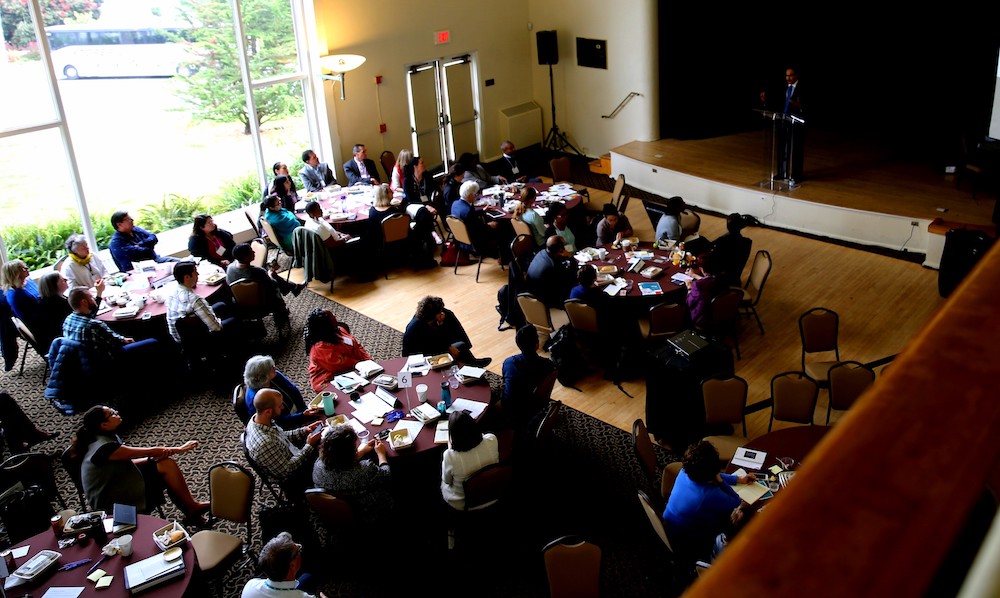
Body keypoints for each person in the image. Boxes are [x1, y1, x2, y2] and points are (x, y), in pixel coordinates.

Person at [74, 405, 209, 522]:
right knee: (165, 472)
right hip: (114, 501)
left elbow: (126, 462)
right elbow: (147, 452)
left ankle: (192, 509)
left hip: (120, 480)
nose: (116, 412)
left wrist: (152, 461)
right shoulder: (105, 448)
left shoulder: (103, 436)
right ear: (104, 425)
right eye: (112, 414)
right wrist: (179, 449)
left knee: (165, 464)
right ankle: (192, 510)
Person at [662, 440, 756, 559]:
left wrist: (737, 479)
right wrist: (721, 481)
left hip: (668, 522)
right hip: (686, 539)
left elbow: (710, 474)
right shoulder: (709, 495)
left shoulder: (686, 470)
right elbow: (736, 502)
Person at [312, 425, 392, 526]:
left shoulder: (318, 465)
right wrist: (381, 454)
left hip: (335, 512)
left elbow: (339, 462)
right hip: (364, 513)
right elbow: (386, 475)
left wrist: (361, 451)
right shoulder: (364, 469)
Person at [245, 388, 323, 490]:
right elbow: (287, 470)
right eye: (279, 406)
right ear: (268, 411)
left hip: (290, 453)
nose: (282, 407)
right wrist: (309, 446)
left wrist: (305, 430)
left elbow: (282, 436)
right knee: (331, 453)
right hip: (294, 476)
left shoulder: (259, 419)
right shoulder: (264, 444)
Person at [63, 288, 159, 368]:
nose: (94, 299)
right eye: (91, 298)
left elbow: (91, 314)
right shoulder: (94, 325)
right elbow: (116, 343)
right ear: (84, 302)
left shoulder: (68, 320)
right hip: (107, 363)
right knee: (152, 341)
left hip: (84, 363)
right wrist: (124, 339)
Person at [226, 242, 303, 327]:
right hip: (262, 303)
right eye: (251, 251)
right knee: (275, 285)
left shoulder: (229, 268)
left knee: (275, 281)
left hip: (240, 303)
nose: (254, 253)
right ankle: (282, 311)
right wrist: (271, 275)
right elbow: (272, 286)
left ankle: (293, 287)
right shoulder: (258, 271)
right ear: (245, 258)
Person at [402, 296, 491, 367]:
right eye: (439, 312)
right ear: (433, 316)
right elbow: (434, 342)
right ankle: (471, 364)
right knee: (461, 346)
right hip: (423, 355)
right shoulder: (415, 328)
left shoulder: (427, 317)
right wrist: (447, 346)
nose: (442, 312)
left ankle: (471, 362)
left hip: (434, 344)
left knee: (448, 314)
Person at [165, 261, 236, 345]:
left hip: (180, 337)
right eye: (195, 272)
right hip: (199, 338)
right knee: (234, 320)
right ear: (187, 277)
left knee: (221, 305)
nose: (198, 274)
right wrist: (218, 321)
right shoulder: (194, 299)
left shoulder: (171, 292)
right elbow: (216, 328)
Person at [441, 410, 500, 510]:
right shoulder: (492, 439)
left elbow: (447, 481)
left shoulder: (450, 456)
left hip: (464, 504)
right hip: (493, 494)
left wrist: (450, 448)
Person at [304, 307, 372, 393]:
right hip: (329, 378)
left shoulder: (340, 330)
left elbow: (357, 346)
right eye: (331, 317)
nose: (334, 316)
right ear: (325, 325)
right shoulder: (319, 349)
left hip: (353, 365)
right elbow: (343, 364)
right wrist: (363, 365)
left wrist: (368, 360)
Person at [243, 355, 322, 428]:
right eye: (272, 368)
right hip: (285, 427)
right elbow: (277, 421)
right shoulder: (257, 399)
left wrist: (303, 410)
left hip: (300, 413)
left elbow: (293, 390)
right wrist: (301, 416)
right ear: (263, 377)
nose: (276, 369)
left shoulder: (275, 375)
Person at [241, 532, 326, 598]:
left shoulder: (250, 586)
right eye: (298, 551)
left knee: (307, 577)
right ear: (292, 565)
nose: (299, 548)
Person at [501, 324, 556, 428]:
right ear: (537, 345)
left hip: (509, 408)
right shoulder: (546, 365)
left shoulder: (508, 363)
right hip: (531, 409)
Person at [760, 67, 805, 182]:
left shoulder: (802, 88)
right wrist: (766, 101)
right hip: (783, 122)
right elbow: (778, 104)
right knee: (781, 149)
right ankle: (781, 172)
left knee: (795, 150)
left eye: (790, 75)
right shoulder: (784, 88)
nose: (788, 78)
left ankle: (796, 175)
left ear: (796, 75)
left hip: (796, 124)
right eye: (786, 76)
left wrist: (799, 106)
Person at [108, 211, 179, 272]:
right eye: (128, 219)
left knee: (183, 264)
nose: (132, 220)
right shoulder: (116, 243)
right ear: (119, 224)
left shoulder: (136, 229)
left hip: (155, 260)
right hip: (136, 271)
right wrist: (149, 246)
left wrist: (140, 244)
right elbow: (142, 253)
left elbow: (153, 237)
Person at [526, 235, 578, 308]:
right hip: (545, 300)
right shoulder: (552, 266)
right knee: (577, 288)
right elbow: (571, 277)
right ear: (560, 250)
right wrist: (570, 258)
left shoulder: (542, 252)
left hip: (533, 292)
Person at [451, 180, 499, 256]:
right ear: (470, 195)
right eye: (475, 194)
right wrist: (490, 225)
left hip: (461, 240)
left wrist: (482, 210)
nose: (477, 196)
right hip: (475, 242)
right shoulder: (468, 211)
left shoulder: (455, 204)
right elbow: (479, 230)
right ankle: (501, 256)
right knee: (501, 227)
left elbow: (467, 218)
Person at [684, 251, 728, 329]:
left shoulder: (698, 285)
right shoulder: (723, 277)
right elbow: (710, 280)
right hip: (722, 312)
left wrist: (689, 287)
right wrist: (694, 275)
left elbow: (688, 302)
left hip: (703, 319)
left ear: (703, 269)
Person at [36, 271, 77, 351]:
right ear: (54, 286)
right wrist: (99, 295)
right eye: (62, 280)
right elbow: (84, 317)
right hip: (65, 342)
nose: (66, 279)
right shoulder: (58, 304)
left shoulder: (44, 300)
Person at [709, 213, 753, 287]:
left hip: (721, 280)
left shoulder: (722, 241)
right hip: (735, 278)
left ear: (727, 227)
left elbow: (714, 260)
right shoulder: (746, 242)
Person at [2, 259, 41, 328]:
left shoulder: (28, 281)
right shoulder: (15, 295)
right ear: (16, 274)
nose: (27, 268)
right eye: (23, 268)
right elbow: (30, 319)